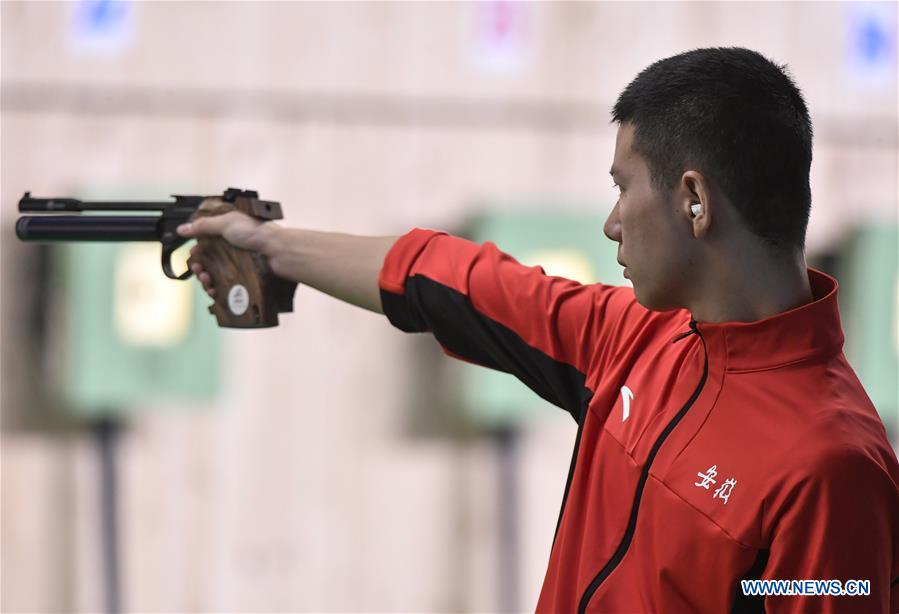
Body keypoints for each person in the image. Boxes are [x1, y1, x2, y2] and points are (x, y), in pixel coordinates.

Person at [177, 47, 899, 613]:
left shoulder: (829, 466)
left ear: (693, 201)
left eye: (623, 186)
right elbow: (450, 281)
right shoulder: (639, 341)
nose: (611, 222)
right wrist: (271, 247)